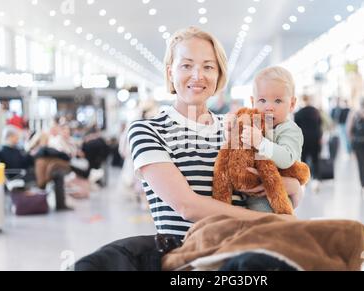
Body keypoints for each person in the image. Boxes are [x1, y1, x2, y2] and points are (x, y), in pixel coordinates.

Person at [75, 26, 302, 271]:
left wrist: (293, 186)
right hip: (189, 259)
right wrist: (272, 222)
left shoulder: (235, 127)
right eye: (186, 65)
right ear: (170, 71)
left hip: (250, 252)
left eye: (208, 66)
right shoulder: (148, 130)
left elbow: (282, 188)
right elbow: (187, 206)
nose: (198, 75)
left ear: (219, 74)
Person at [239, 66, 303, 212]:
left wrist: (260, 142)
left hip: (272, 201)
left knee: (267, 226)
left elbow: (287, 159)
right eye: (262, 100)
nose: (269, 107)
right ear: (252, 101)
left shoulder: (289, 130)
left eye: (278, 101)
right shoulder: (254, 124)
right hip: (251, 195)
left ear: (292, 104)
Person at [295, 95, 322, 192]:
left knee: (304, 160)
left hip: (303, 140)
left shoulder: (298, 113)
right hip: (315, 139)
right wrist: (320, 137)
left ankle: (304, 182)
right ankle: (316, 180)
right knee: (315, 160)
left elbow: (296, 130)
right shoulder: (315, 112)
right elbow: (319, 126)